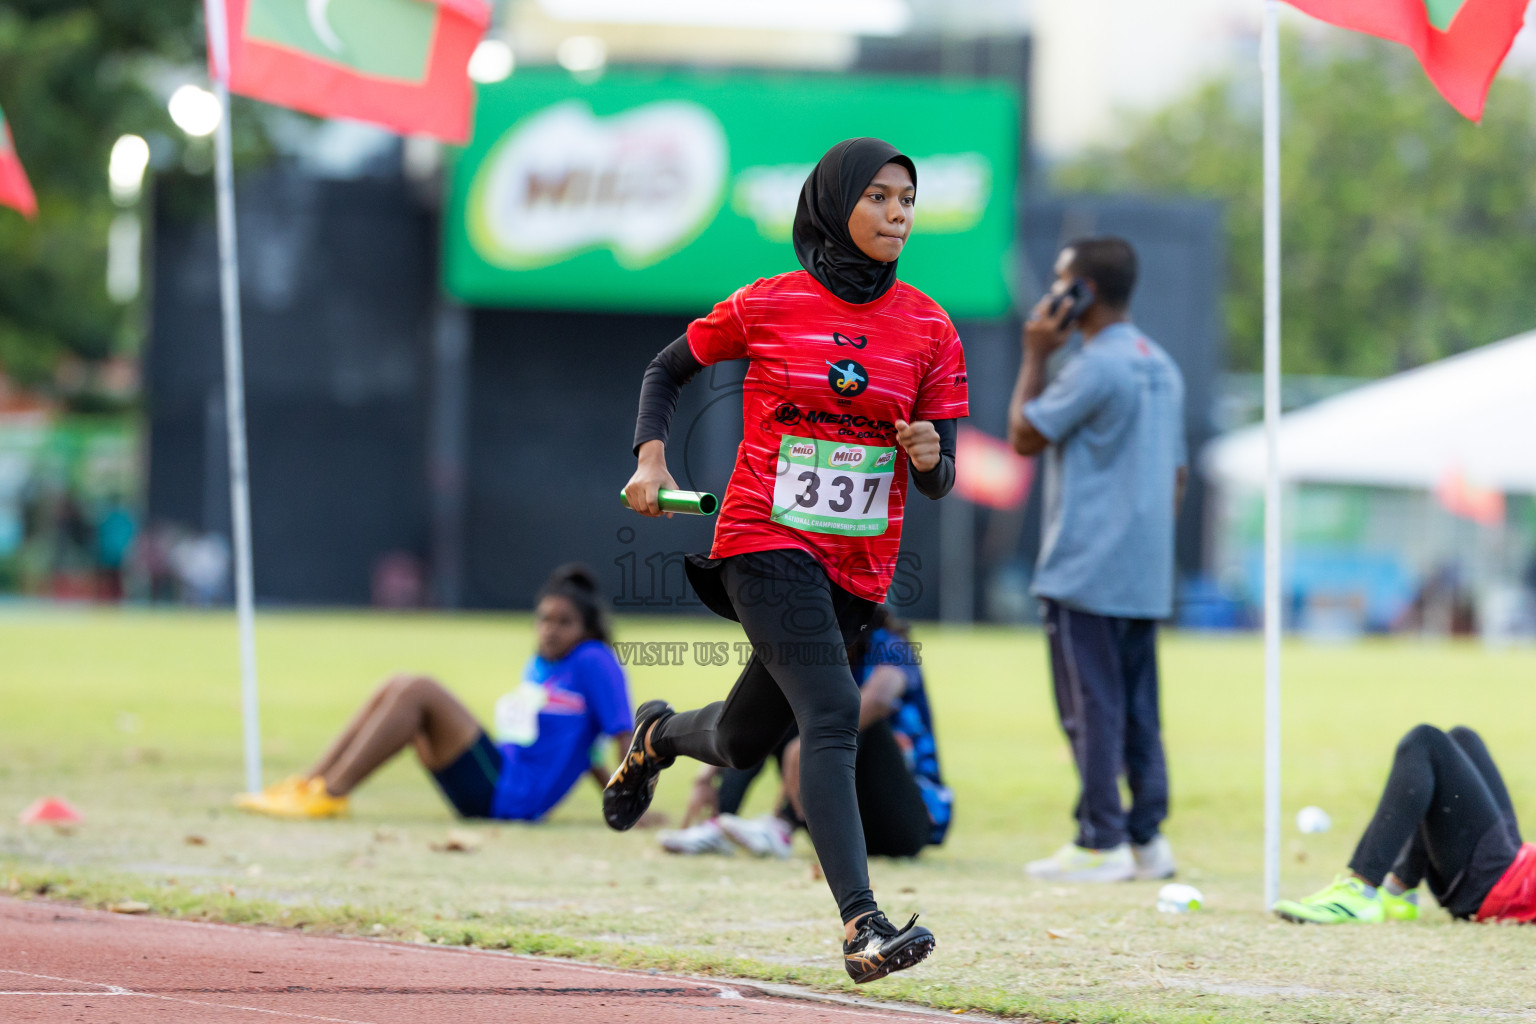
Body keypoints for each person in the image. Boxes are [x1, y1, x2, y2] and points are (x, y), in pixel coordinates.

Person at [609, 137, 969, 983]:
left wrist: (926, 456)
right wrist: (651, 458)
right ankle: (862, 927)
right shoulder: (769, 304)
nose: (896, 214)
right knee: (834, 712)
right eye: (879, 197)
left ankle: (656, 736)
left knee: (738, 742)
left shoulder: (930, 328)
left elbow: (945, 474)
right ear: (835, 203)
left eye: (907, 200)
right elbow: (668, 369)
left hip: (856, 572)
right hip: (763, 543)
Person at [1006, 236, 1187, 884]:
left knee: (1090, 707)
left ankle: (1098, 839)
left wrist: (1034, 355)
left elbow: (1024, 435)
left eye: (1059, 281)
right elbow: (1179, 474)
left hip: (1084, 568)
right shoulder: (1162, 365)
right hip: (1143, 569)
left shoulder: (1091, 367)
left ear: (1081, 291)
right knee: (1138, 706)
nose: (1051, 295)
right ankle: (1146, 839)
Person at [235, 565, 636, 822]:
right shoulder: (543, 665)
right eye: (544, 619)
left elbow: (620, 735)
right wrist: (601, 787)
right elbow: (583, 753)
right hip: (495, 788)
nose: (550, 629)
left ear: (586, 629)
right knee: (395, 684)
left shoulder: (593, 660)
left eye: (564, 622)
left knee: (418, 689)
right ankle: (309, 785)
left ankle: (332, 794)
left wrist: (627, 808)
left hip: (511, 794)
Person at [661, 607, 953, 862]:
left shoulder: (891, 645)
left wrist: (806, 744)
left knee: (849, 711)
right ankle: (719, 823)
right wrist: (707, 772)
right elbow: (759, 711)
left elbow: (879, 699)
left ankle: (782, 826)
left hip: (904, 823)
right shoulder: (821, 652)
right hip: (846, 828)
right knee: (783, 704)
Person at [1274, 725, 1534, 925]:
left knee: (1425, 741)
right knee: (1462, 738)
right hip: (1521, 862)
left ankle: (1361, 891)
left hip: (1502, 888)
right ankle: (1399, 889)